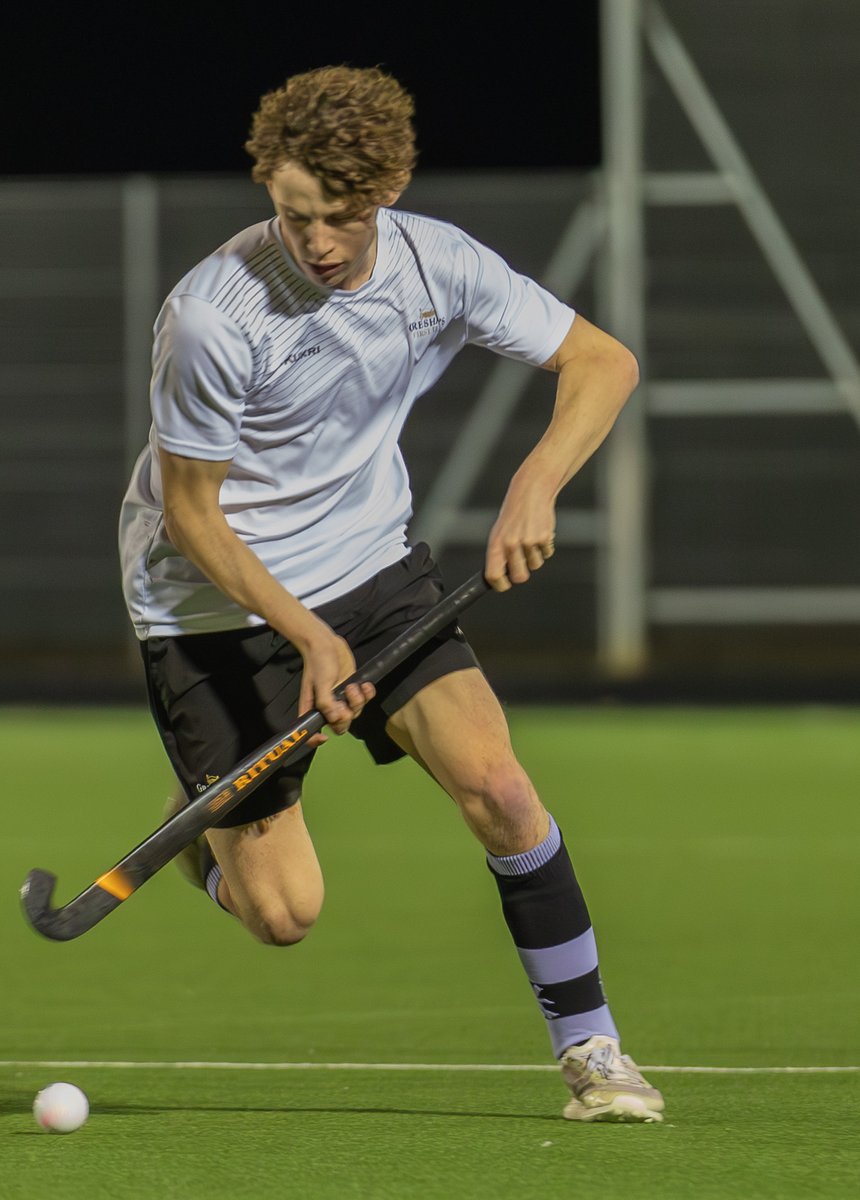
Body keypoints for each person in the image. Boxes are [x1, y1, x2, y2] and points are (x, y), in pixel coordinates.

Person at [119, 65, 663, 1123]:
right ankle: (204, 842)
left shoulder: (437, 265)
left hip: (369, 563)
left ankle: (592, 1052)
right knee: (283, 917)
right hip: (216, 599)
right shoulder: (210, 316)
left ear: (392, 188)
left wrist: (531, 487)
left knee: (501, 791)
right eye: (293, 216)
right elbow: (190, 515)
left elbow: (600, 362)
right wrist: (305, 638)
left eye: (341, 218)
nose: (317, 243)